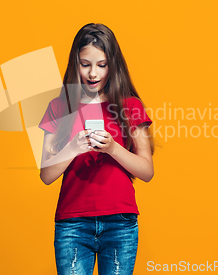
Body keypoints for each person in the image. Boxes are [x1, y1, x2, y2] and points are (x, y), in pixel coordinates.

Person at [38, 23, 154, 275]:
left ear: (113, 65)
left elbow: (147, 171)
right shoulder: (58, 107)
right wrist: (72, 148)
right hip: (73, 223)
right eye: (85, 64)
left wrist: (113, 148)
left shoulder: (130, 105)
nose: (93, 73)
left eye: (101, 65)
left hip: (119, 223)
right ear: (75, 64)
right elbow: (46, 175)